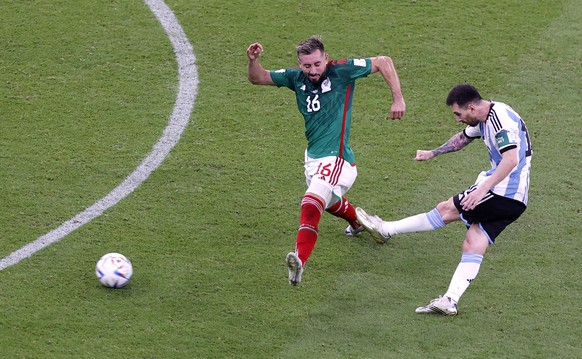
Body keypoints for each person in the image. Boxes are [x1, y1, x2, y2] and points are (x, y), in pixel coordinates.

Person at [356, 84, 532, 315]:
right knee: (474, 240)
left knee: (446, 209)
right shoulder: (483, 117)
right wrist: (433, 152)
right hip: (516, 200)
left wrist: (481, 191)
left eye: (458, 114)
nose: (457, 120)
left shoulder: (500, 121)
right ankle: (450, 300)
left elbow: (510, 160)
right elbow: (462, 139)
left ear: (471, 107)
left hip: (502, 191)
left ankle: (385, 229)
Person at [246, 35, 406, 286]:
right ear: (300, 64)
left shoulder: (341, 71)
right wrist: (253, 61)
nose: (312, 71)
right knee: (327, 201)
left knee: (310, 204)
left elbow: (383, 61)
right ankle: (358, 222)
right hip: (313, 158)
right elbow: (257, 77)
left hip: (338, 160)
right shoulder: (294, 78)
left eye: (317, 64)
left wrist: (397, 98)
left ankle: (299, 261)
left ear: (326, 59)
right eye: (307, 66)